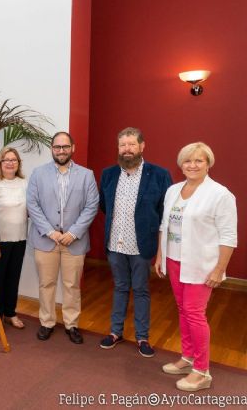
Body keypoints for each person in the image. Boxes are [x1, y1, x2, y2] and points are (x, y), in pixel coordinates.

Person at [155, 142, 237, 392]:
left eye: (198, 160)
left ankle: (202, 372)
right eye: (188, 161)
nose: (192, 165)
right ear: (181, 164)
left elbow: (228, 236)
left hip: (201, 264)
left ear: (208, 164)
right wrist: (160, 256)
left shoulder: (220, 194)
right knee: (182, 309)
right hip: (175, 260)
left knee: (194, 313)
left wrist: (218, 269)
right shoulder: (173, 190)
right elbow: (164, 226)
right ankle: (188, 357)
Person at [99, 128, 172, 357]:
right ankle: (115, 332)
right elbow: (104, 206)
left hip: (141, 245)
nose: (127, 149)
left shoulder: (160, 175)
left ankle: (142, 337)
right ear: (118, 148)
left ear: (142, 146)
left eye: (131, 144)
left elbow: (164, 212)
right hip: (115, 245)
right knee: (120, 287)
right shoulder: (108, 174)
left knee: (140, 290)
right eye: (123, 145)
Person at [27, 132, 99, 344]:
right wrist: (50, 232)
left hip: (74, 242)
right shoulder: (38, 174)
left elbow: (91, 206)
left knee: (71, 286)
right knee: (46, 284)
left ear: (72, 148)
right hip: (45, 240)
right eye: (57, 147)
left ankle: (71, 324)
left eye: (65, 146)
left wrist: (73, 232)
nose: (61, 150)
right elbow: (33, 204)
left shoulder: (87, 175)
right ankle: (47, 322)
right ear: (52, 149)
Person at [0, 147, 28, 333]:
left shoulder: (25, 183)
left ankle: (10, 313)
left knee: (13, 278)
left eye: (14, 159)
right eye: (6, 160)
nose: (10, 162)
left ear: (18, 163)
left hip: (19, 239)